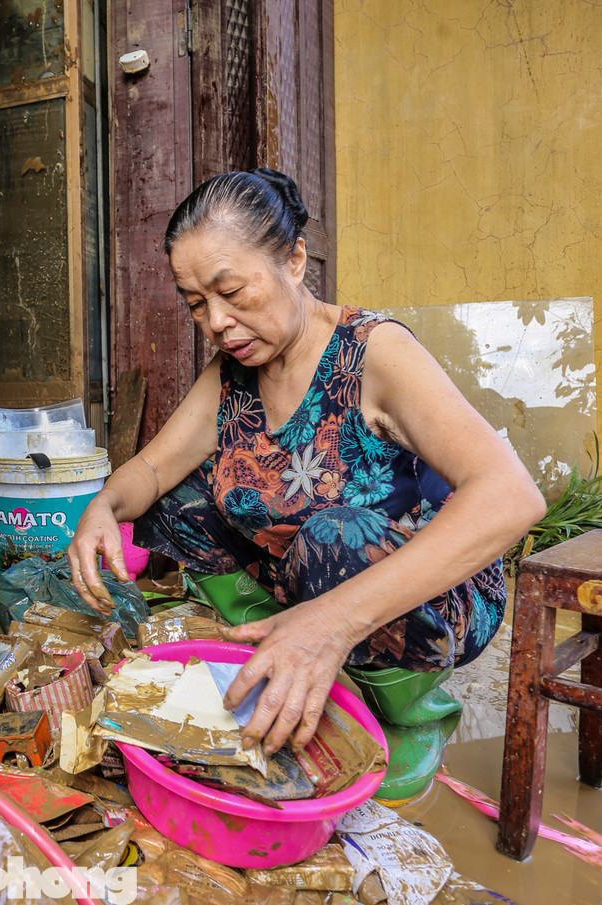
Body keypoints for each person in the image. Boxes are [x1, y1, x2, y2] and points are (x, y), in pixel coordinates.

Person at [66, 169, 546, 803]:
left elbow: (513, 496)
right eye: (196, 303)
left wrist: (329, 622)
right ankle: (276, 650)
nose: (218, 320)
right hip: (302, 574)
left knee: (334, 536)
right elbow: (154, 469)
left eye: (232, 291)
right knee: (174, 503)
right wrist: (102, 506)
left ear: (293, 261)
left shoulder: (373, 353)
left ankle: (406, 711)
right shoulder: (233, 371)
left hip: (425, 589)